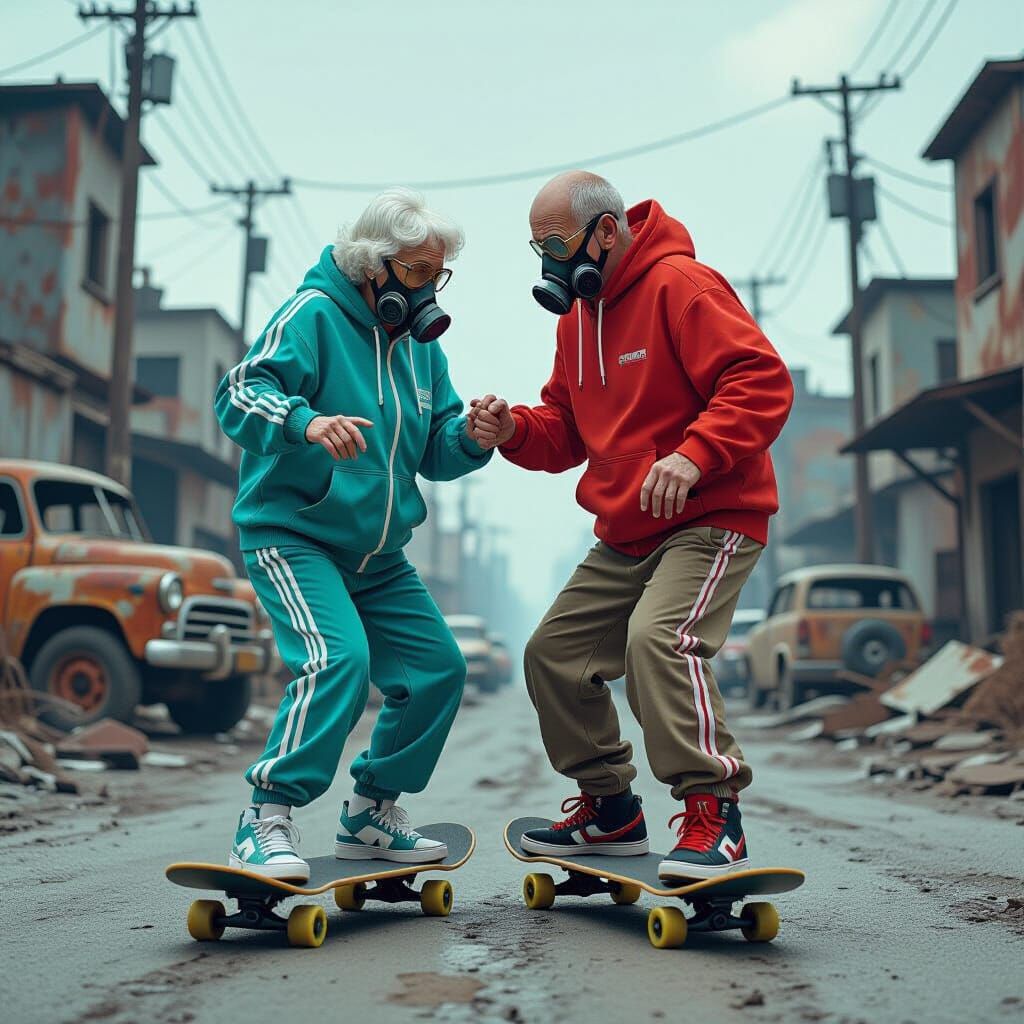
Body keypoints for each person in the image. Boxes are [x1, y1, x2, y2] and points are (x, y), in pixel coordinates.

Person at [468, 171, 793, 880]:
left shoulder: (683, 286)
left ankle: (715, 813)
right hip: (626, 528)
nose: (549, 263)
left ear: (606, 231)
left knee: (659, 641)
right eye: (539, 249)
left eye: (558, 245)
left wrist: (695, 455)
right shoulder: (575, 320)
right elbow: (565, 431)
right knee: (553, 653)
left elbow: (761, 380)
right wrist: (513, 429)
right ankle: (610, 810)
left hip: (711, 514)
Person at [214, 188, 491, 881]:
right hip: (295, 534)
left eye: (438, 274)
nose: (428, 289)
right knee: (339, 661)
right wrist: (304, 421)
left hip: (379, 554)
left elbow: (436, 447)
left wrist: (475, 436)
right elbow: (238, 393)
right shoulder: (312, 314)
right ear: (375, 265)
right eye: (418, 272)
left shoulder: (420, 349)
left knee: (438, 670)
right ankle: (264, 819)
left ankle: (371, 814)